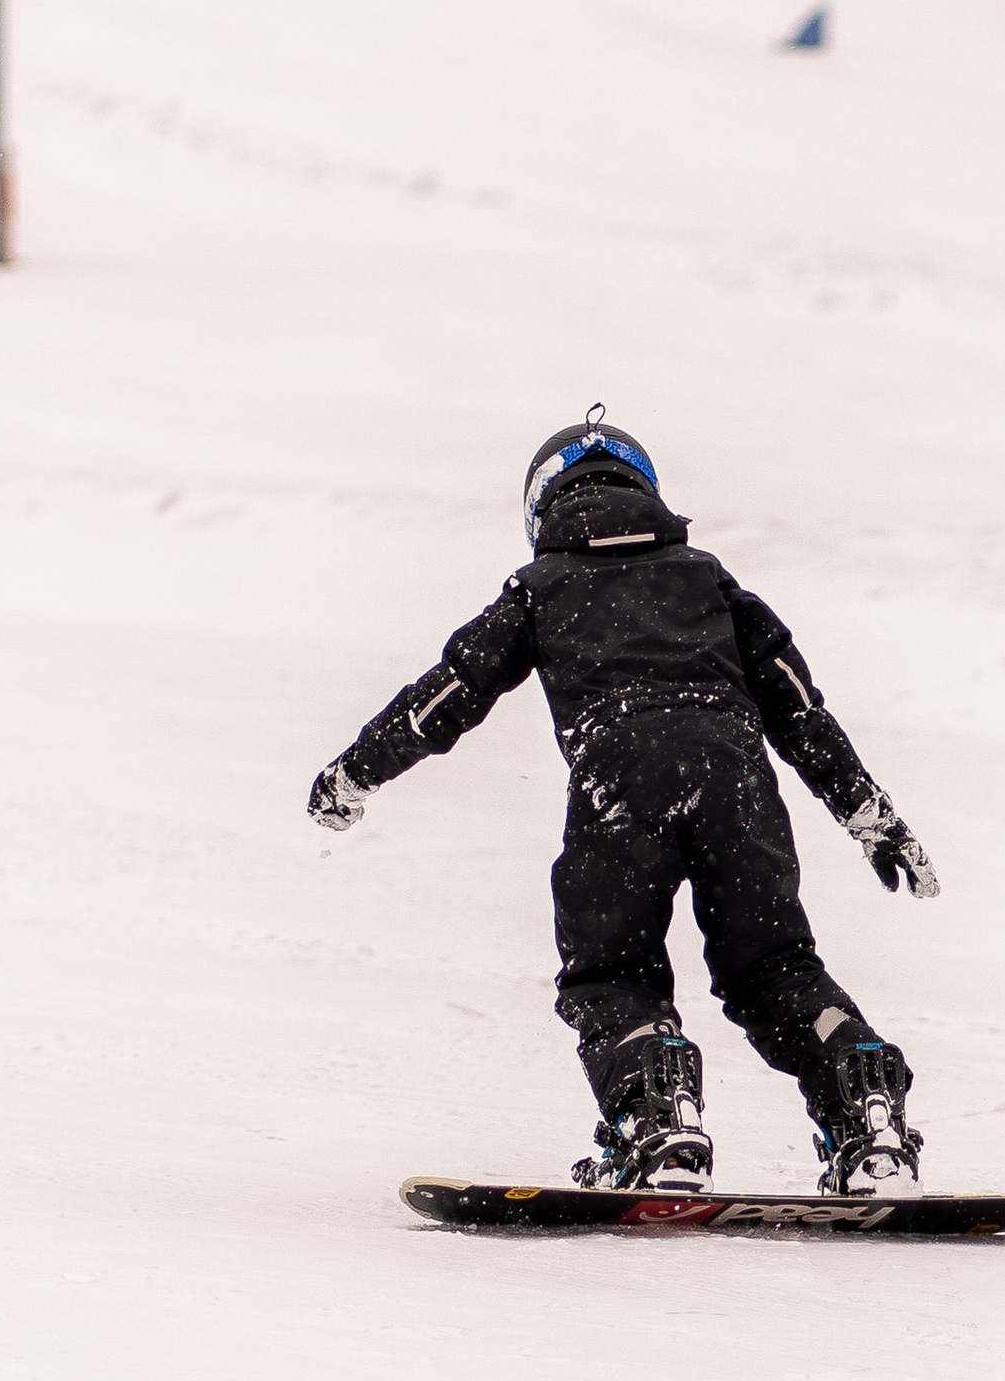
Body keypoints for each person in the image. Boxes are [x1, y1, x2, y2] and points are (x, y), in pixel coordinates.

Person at [309, 412, 939, 1198]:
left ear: (542, 508)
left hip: (619, 787)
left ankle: (658, 1119)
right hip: (738, 784)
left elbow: (448, 693)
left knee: (612, 971)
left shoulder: (542, 589)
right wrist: (874, 819)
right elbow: (803, 713)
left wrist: (354, 773)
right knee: (774, 970)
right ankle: (866, 1110)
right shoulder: (709, 579)